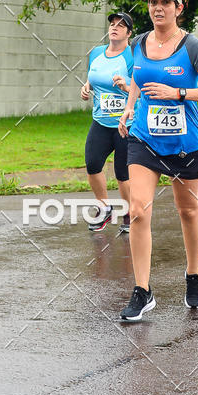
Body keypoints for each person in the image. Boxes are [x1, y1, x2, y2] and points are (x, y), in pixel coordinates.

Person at [117, 0, 198, 321]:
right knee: (138, 210)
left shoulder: (191, 46)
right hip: (145, 138)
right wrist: (129, 107)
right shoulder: (138, 43)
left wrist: (178, 94)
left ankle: (193, 273)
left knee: (188, 211)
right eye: (152, 2)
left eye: (165, 2)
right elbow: (138, 76)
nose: (157, 7)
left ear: (179, 8)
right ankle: (142, 290)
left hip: (184, 145)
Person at [81, 12, 135, 233]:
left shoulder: (133, 55)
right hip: (101, 121)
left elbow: (141, 86)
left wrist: (126, 84)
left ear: (129, 33)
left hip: (125, 124)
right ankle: (104, 208)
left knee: (123, 174)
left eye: (121, 26)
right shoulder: (96, 53)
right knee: (92, 164)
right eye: (112, 24)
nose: (114, 28)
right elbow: (93, 77)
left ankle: (130, 215)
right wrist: (86, 87)